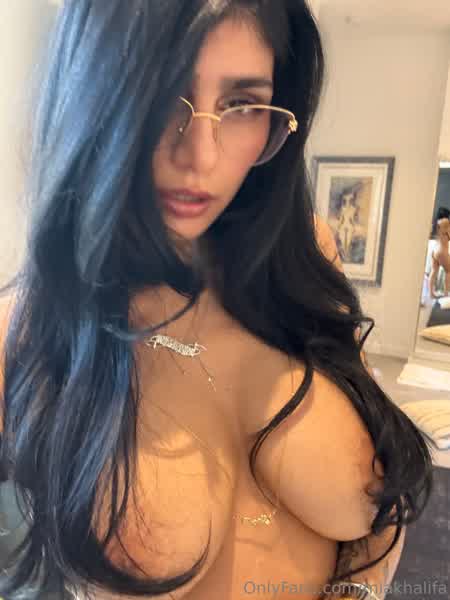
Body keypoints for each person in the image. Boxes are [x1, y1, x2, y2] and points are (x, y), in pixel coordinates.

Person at [0, 2, 434, 600]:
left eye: (243, 105)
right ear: (95, 96)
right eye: (161, 95)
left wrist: (356, 590)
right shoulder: (27, 333)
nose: (201, 156)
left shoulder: (304, 260)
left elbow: (386, 489)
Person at [429, 207, 450, 298]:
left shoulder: (436, 223)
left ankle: (431, 293)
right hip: (442, 251)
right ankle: (446, 293)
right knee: (449, 271)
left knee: (434, 271)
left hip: (435, 249)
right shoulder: (445, 222)